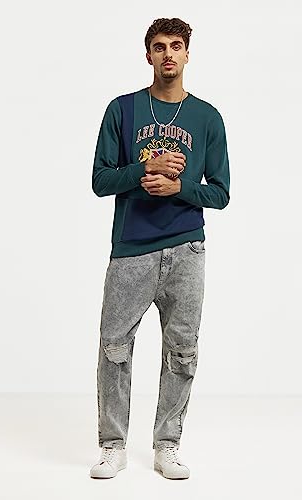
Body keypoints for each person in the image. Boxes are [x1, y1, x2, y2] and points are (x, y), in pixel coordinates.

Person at [89, 17, 230, 480]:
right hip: (131, 248)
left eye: (176, 46)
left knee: (182, 351)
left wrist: (180, 188)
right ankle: (112, 446)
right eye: (159, 46)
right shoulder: (122, 109)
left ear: (187, 54)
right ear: (147, 54)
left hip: (186, 250)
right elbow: (100, 180)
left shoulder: (207, 117)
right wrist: (145, 168)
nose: (168, 54)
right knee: (114, 347)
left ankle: (167, 445)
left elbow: (220, 193)